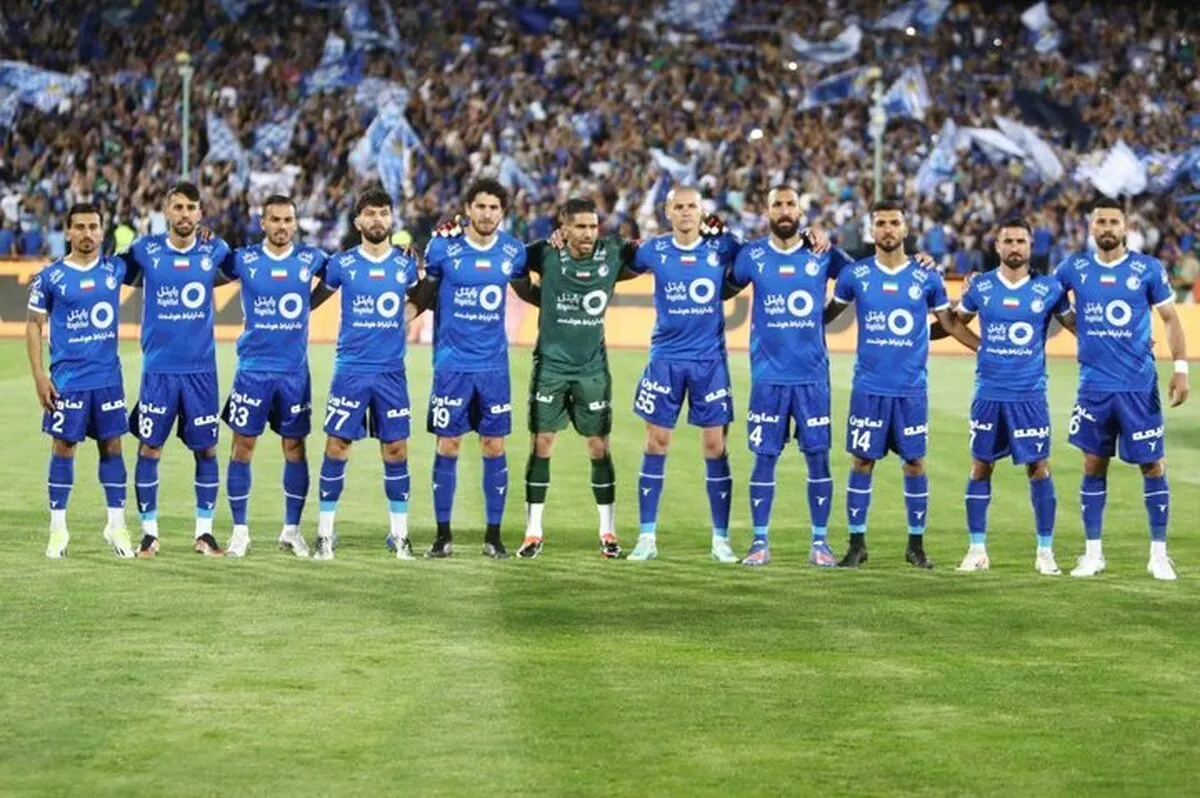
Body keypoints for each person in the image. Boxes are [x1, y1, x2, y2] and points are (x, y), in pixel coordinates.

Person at [826, 200, 977, 569]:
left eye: (894, 223)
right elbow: (825, 316)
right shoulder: (856, 275)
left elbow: (949, 324)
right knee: (862, 461)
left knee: (914, 463)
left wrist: (985, 349)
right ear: (871, 230)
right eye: (881, 223)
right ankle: (856, 544)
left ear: (906, 229)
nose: (888, 229)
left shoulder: (927, 277)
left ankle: (916, 546)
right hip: (869, 387)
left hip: (911, 389)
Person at [1053, 197, 1190, 580]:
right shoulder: (1073, 268)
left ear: (1126, 227)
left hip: (1138, 387)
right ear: (1090, 228)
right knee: (1093, 464)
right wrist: (1080, 329)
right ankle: (1093, 554)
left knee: (1153, 465)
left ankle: (1158, 555)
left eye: (1114, 221)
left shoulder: (1147, 269)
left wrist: (1181, 369)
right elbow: (1045, 299)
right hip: (1093, 387)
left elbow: (1170, 319)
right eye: (1101, 222)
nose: (1108, 228)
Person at [725, 186, 850, 567]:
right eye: (777, 204)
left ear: (800, 211)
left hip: (812, 378)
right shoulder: (752, 255)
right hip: (768, 379)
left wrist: (920, 261)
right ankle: (759, 542)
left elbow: (863, 277)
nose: (784, 210)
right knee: (764, 458)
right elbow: (723, 285)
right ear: (767, 212)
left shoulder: (822, 253)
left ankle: (820, 544)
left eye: (790, 204)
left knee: (818, 459)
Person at [940, 218, 1072, 574]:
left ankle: (1045, 552)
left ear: (1031, 246)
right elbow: (953, 322)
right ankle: (976, 550)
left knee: (1038, 467)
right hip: (989, 393)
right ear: (997, 246)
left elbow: (1077, 325)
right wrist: (981, 347)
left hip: (1029, 394)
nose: (1015, 247)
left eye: (1021, 241)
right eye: (1008, 241)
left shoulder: (1049, 289)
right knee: (980, 466)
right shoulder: (981, 287)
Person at [510, 197, 636, 559]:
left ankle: (608, 531)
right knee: (542, 444)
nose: (588, 234)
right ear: (563, 229)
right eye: (580, 227)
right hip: (550, 366)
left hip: (591, 369)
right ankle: (533, 532)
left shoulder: (613, 252)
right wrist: (541, 298)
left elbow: (650, 257)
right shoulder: (544, 252)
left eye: (593, 226)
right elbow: (513, 268)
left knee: (599, 446)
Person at [623, 186, 742, 562]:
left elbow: (754, 257)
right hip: (666, 359)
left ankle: (721, 540)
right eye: (680, 206)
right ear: (668, 211)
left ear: (702, 211)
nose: (687, 212)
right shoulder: (653, 250)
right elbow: (619, 261)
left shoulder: (722, 247)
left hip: (710, 361)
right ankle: (646, 538)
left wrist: (728, 233)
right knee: (656, 443)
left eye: (693, 206)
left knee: (715, 446)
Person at [415, 178, 527, 559]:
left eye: (494, 208)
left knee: (494, 446)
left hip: (493, 368)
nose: (487, 214)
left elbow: (531, 283)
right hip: (452, 367)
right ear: (467, 209)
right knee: (448, 444)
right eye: (480, 206)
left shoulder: (513, 251)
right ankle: (442, 536)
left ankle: (493, 536)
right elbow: (424, 296)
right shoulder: (443, 248)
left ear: (503, 213)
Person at [122, 182, 234, 558]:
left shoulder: (216, 250)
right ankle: (149, 535)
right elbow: (110, 273)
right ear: (167, 211)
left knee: (206, 450)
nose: (185, 214)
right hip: (159, 371)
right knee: (150, 448)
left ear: (200, 213)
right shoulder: (144, 250)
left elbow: (244, 273)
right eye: (179, 207)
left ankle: (204, 534)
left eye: (191, 208)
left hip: (201, 371)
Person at [309, 187, 420, 561]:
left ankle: (400, 535)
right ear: (357, 221)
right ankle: (325, 535)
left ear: (392, 219)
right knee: (337, 446)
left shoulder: (405, 265)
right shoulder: (341, 265)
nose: (377, 219)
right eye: (370, 213)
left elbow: (424, 297)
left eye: (384, 213)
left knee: (396, 449)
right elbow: (310, 301)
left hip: (391, 372)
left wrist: (406, 315)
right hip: (351, 370)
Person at [219, 195, 328, 558]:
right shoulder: (244, 259)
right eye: (275, 219)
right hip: (252, 371)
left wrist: (309, 305)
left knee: (295, 448)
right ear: (262, 223)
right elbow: (205, 269)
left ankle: (291, 531)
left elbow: (341, 276)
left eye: (288, 220)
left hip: (294, 373)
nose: (282, 226)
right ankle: (239, 532)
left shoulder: (312, 259)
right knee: (242, 446)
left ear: (295, 223)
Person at [25, 203, 135, 559]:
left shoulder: (115, 268)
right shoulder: (49, 277)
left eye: (94, 227)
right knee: (63, 448)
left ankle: (116, 525)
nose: (88, 234)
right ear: (68, 231)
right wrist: (39, 376)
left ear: (102, 231)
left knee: (113, 447)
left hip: (108, 379)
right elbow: (33, 325)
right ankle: (58, 530)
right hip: (67, 381)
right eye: (81, 227)